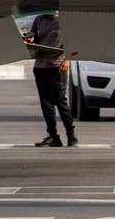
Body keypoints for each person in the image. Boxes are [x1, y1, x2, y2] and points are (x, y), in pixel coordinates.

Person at [26, 11, 77, 147]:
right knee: (46, 102)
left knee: (60, 100)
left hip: (57, 66)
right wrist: (31, 39)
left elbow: (74, 41)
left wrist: (67, 60)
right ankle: (53, 136)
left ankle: (71, 135)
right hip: (41, 66)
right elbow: (34, 37)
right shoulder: (39, 18)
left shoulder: (65, 20)